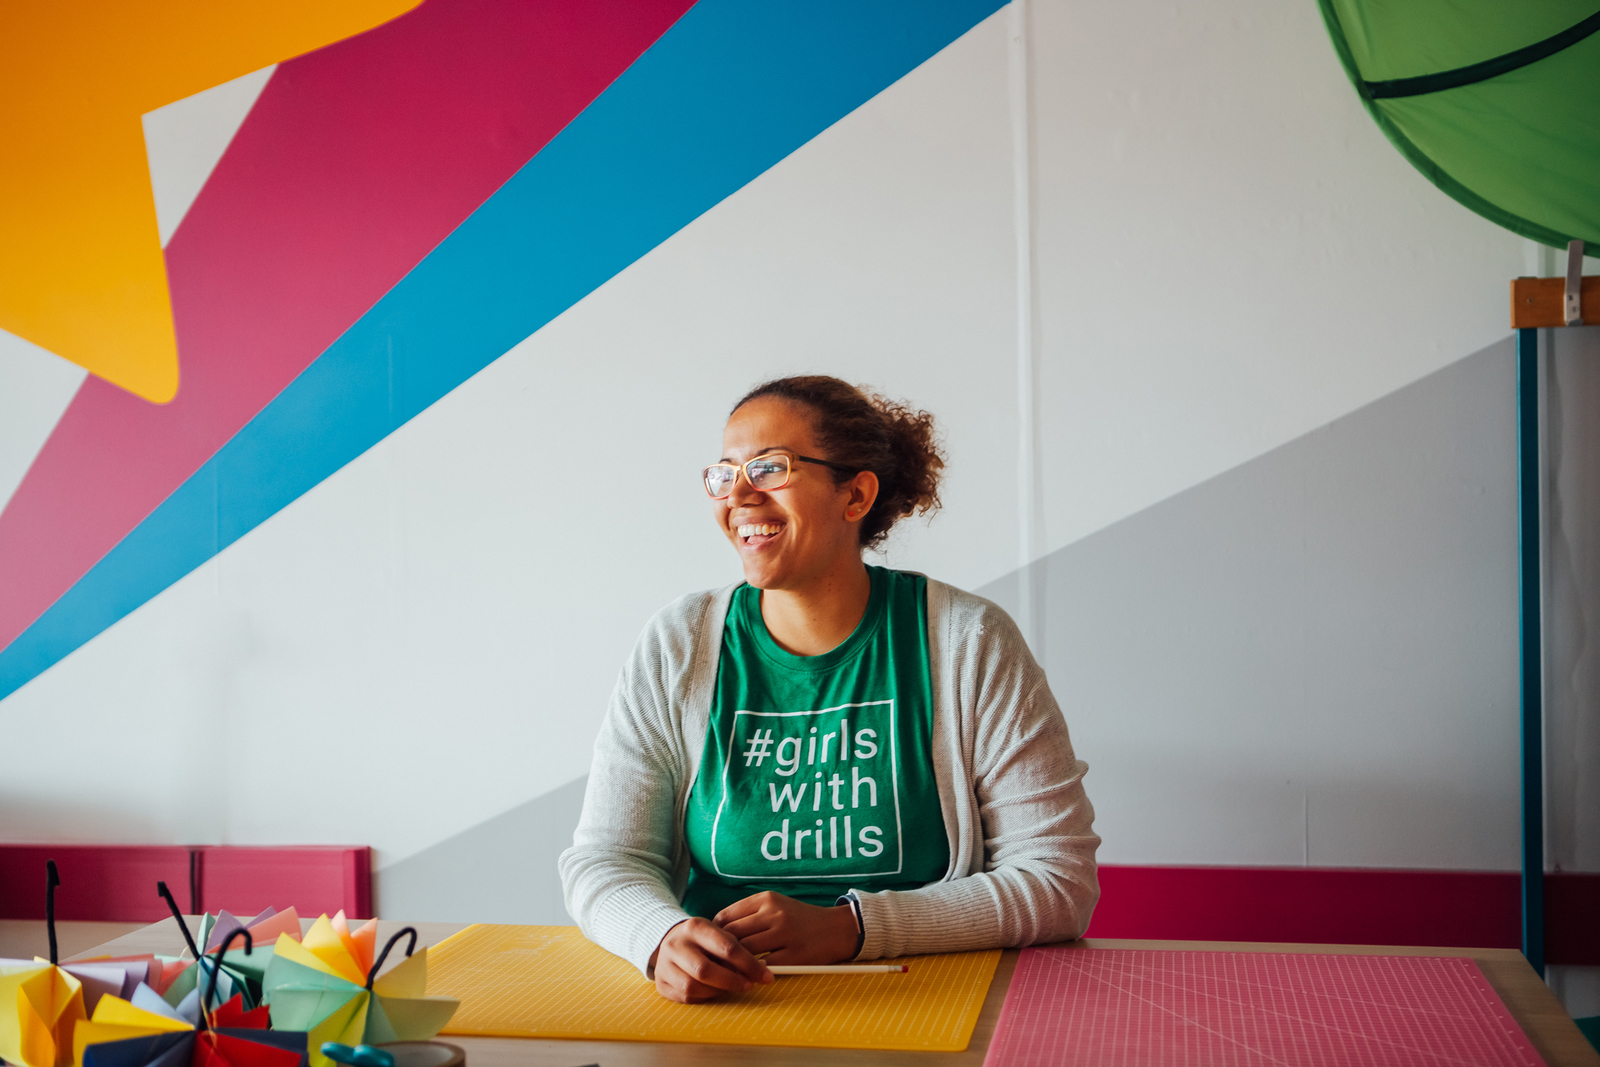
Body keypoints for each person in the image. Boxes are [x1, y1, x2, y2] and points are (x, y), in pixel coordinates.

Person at [559, 375, 1099, 1003]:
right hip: (722, 1003)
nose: (739, 495)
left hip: (924, 998)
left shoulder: (968, 641)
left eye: (769, 468)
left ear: (856, 494)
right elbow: (606, 860)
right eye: (726, 473)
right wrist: (661, 935)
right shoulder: (678, 643)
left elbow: (1058, 881)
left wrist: (852, 928)